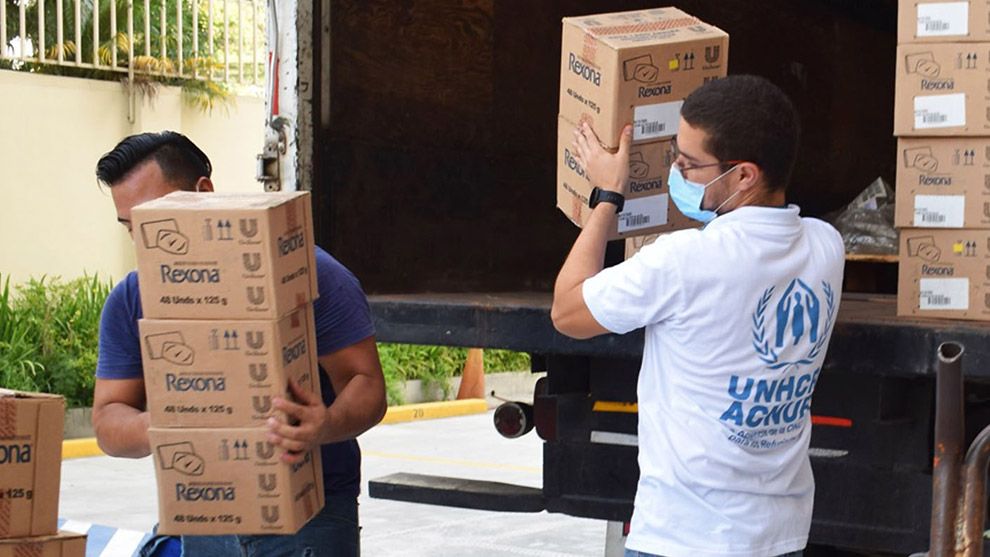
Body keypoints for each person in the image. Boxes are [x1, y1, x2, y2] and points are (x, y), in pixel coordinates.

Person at [551, 75, 845, 557]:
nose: (676, 172)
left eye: (688, 165)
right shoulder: (826, 247)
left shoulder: (683, 260)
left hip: (684, 538)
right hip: (781, 535)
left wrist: (607, 195)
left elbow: (567, 311)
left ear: (744, 175)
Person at [92, 131, 387, 557]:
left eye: (157, 220)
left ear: (204, 192)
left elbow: (367, 385)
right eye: (131, 228)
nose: (147, 242)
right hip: (205, 516)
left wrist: (324, 424)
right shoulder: (132, 298)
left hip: (311, 520)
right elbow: (107, 418)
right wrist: (163, 423)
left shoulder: (306, 274)